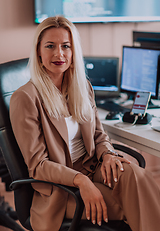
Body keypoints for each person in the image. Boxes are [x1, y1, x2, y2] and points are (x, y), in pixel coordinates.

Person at [10, 16, 160, 231]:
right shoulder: (25, 97)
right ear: (38, 51)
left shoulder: (82, 87)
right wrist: (81, 181)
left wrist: (108, 154)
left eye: (66, 46)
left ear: (73, 52)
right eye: (50, 46)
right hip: (61, 187)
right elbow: (38, 166)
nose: (59, 54)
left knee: (138, 177)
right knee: (138, 203)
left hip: (92, 166)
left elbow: (99, 135)